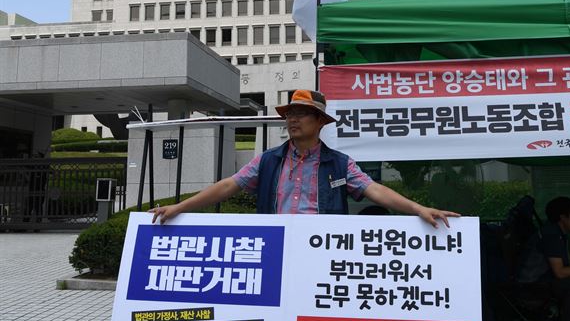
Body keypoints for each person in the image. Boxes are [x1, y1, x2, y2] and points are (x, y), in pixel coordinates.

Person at [151, 88, 458, 228]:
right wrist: (180, 207)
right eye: (291, 114)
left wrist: (417, 209)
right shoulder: (268, 160)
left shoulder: (340, 164)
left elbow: (374, 190)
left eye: (302, 114)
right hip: (274, 249)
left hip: (322, 253)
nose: (293, 120)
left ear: (320, 121)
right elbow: (228, 185)